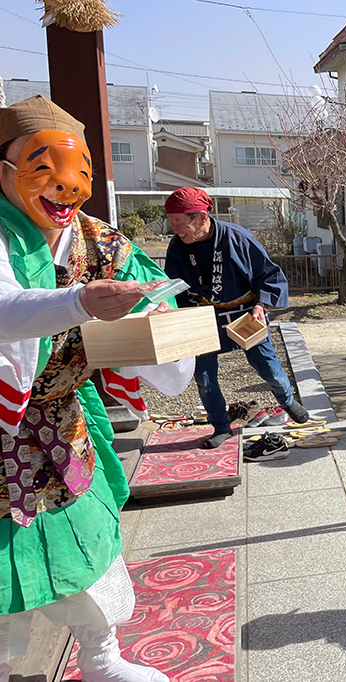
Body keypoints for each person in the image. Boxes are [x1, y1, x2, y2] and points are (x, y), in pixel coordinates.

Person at [0, 95, 175, 682]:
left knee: (90, 538)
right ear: (5, 172)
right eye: (44, 169)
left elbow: (153, 288)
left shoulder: (97, 239)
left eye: (81, 172)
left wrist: (166, 313)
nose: (67, 188)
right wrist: (78, 301)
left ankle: (102, 659)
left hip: (59, 419)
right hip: (3, 423)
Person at [163, 187, 309, 448]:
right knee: (204, 378)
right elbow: (174, 286)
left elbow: (269, 274)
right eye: (171, 222)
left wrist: (261, 306)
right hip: (204, 315)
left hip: (244, 312)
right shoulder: (178, 246)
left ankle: (287, 401)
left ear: (202, 217)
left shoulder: (237, 237)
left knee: (268, 367)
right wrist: (172, 313)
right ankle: (220, 426)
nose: (174, 229)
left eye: (180, 223)